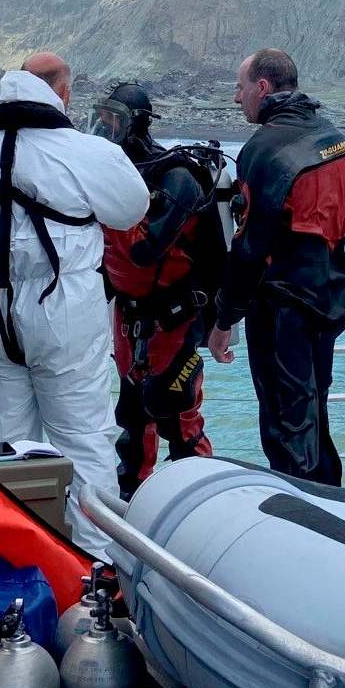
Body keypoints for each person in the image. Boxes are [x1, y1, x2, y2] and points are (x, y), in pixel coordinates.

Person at [0, 53, 149, 555]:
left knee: (0, 446)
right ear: (63, 93)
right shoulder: (85, 152)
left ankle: (11, 566)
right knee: (84, 441)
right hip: (61, 311)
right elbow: (130, 210)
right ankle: (95, 575)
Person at [207, 49, 345, 485]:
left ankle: (307, 521)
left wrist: (223, 319)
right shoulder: (333, 138)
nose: (236, 100)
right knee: (315, 414)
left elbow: (250, 246)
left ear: (262, 87)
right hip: (329, 298)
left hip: (282, 308)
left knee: (286, 427)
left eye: (239, 89)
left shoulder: (263, 149)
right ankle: (333, 506)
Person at [89, 82, 226, 498]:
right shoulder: (112, 177)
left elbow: (145, 251)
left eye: (113, 121)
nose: (103, 129)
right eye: (101, 119)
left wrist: (100, 218)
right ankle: (134, 504)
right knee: (132, 417)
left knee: (177, 413)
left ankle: (200, 504)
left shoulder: (177, 177)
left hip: (172, 316)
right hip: (128, 316)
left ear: (138, 125)